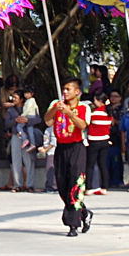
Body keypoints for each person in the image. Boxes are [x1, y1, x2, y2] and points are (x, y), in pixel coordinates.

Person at [45, 78, 92, 236]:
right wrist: (56, 109)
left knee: (75, 185)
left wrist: (70, 113)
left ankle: (73, 224)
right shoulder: (57, 105)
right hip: (61, 148)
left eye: (68, 89)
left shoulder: (83, 107)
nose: (65, 92)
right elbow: (47, 121)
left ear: (77, 92)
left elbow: (83, 125)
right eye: (64, 89)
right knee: (63, 186)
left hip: (76, 148)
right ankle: (84, 212)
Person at [84, 94, 111, 196]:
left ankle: (89, 187)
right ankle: (104, 187)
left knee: (90, 165)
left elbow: (87, 124)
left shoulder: (95, 113)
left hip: (94, 141)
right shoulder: (108, 112)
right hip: (105, 140)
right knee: (102, 164)